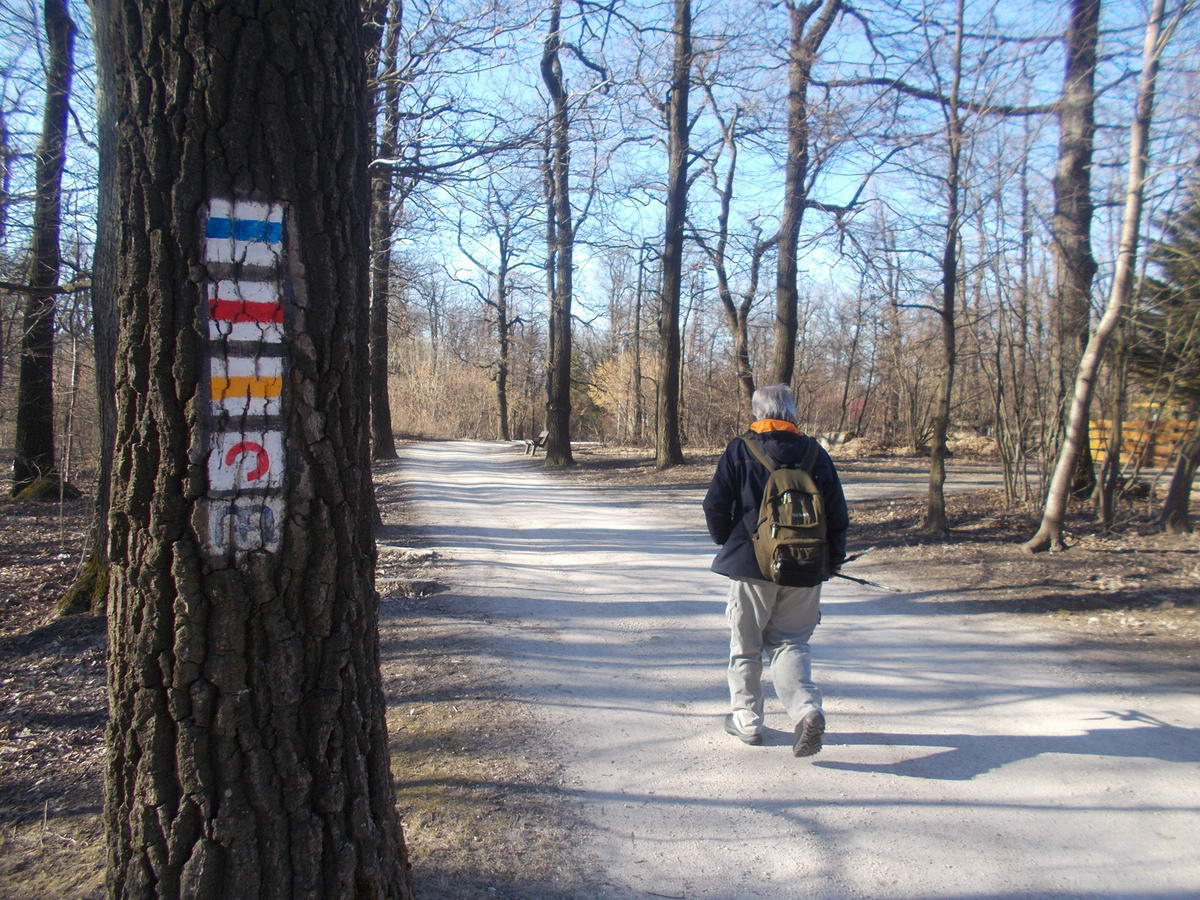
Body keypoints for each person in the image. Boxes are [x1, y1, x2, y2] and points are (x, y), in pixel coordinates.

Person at [702, 384, 849, 756]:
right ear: (792, 412)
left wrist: (730, 542)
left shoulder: (741, 449)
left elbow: (715, 505)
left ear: (758, 412)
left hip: (752, 565)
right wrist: (830, 561)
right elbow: (837, 515)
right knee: (791, 642)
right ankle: (806, 709)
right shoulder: (816, 453)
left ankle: (747, 721)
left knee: (746, 646)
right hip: (806, 564)